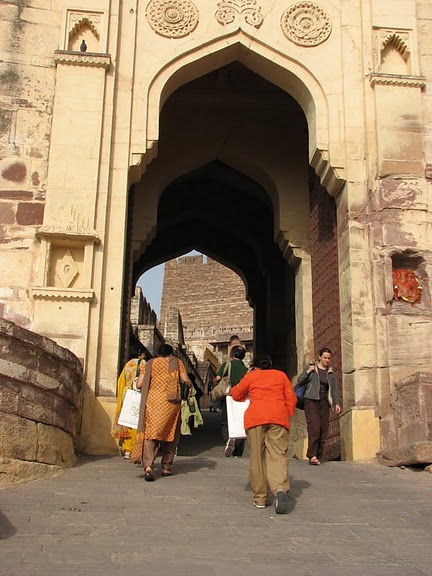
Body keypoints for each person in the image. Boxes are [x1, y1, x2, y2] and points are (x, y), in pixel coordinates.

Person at [230, 354, 297, 513]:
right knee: (277, 455)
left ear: (255, 366)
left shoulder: (251, 376)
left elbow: (236, 393)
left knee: (257, 457)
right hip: (278, 418)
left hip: (256, 418)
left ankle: (260, 498)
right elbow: (291, 397)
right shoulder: (281, 376)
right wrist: (286, 413)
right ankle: (280, 489)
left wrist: (248, 378)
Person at [130, 344, 191, 481]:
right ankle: (166, 467)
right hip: (171, 404)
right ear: (171, 354)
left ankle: (148, 466)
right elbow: (185, 380)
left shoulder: (149, 364)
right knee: (171, 434)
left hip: (152, 402)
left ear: (158, 353)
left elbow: (139, 385)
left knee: (150, 434)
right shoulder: (177, 362)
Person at [296, 347, 341, 466]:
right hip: (311, 400)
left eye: (329, 358)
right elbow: (299, 381)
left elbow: (335, 389)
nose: (327, 360)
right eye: (325, 358)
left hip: (324, 402)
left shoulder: (330, 373)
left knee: (323, 428)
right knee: (314, 427)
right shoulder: (312, 368)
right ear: (319, 357)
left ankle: (319, 454)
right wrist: (307, 372)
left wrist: (337, 403)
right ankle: (312, 455)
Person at [111, 343, 146, 460]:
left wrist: (122, 394)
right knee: (137, 421)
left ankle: (127, 450)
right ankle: (136, 449)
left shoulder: (128, 364)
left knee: (127, 421)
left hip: (127, 393)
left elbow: (121, 380)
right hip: (138, 394)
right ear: (140, 353)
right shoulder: (143, 364)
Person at [212, 345, 248, 457]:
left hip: (228, 397)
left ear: (232, 354)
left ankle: (229, 439)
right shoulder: (246, 370)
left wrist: (213, 386)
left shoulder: (227, 365)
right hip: (242, 398)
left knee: (226, 422)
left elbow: (218, 378)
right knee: (241, 423)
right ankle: (238, 451)